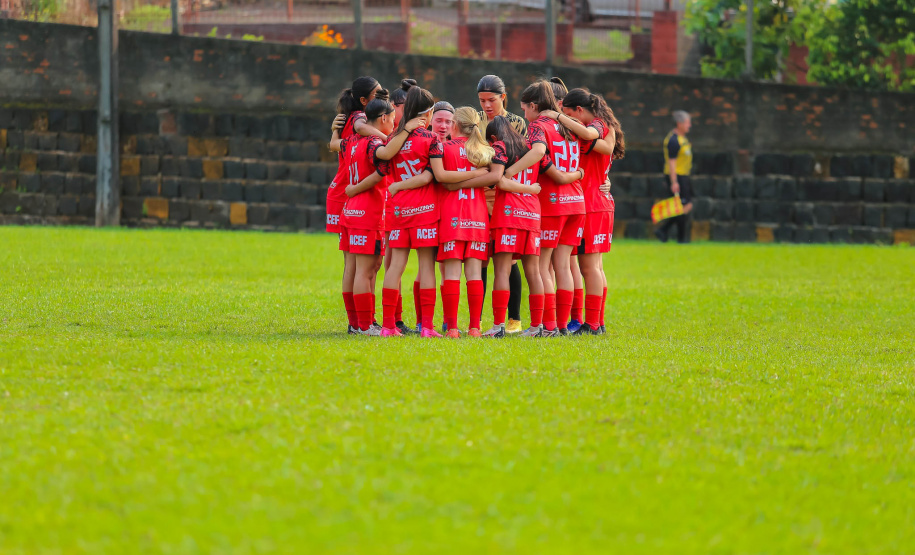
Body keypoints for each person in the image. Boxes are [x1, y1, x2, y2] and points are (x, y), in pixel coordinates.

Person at [542, 88, 625, 335]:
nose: (569, 119)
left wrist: (557, 117)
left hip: (591, 204)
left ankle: (592, 323)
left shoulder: (594, 129)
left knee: (589, 267)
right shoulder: (601, 129)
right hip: (598, 202)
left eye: (569, 113)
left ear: (579, 110)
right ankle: (596, 322)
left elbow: (595, 140)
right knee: (594, 267)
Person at [508, 80, 584, 337]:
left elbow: (539, 153)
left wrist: (510, 171)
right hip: (577, 202)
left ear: (533, 105)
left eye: (524, 109)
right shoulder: (567, 125)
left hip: (553, 203)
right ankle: (563, 325)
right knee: (562, 265)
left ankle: (546, 325)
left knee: (541, 267)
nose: (524, 115)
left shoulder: (538, 126)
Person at [380, 85, 445, 338]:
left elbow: (384, 162)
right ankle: (427, 327)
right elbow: (433, 177)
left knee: (395, 266)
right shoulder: (431, 140)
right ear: (427, 114)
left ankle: (388, 326)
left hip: (399, 210)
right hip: (425, 211)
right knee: (426, 266)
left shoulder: (393, 139)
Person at [328, 76, 386, 333]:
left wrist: (333, 133)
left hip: (348, 194)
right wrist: (388, 138)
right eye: (378, 93)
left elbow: (333, 145)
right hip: (351, 193)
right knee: (360, 265)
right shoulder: (361, 122)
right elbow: (362, 129)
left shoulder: (351, 124)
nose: (384, 95)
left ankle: (360, 322)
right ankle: (362, 323)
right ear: (364, 101)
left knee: (360, 264)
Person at [434, 107, 493, 338]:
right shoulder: (483, 151)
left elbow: (441, 180)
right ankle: (475, 327)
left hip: (452, 217)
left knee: (451, 273)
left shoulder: (443, 148)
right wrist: (476, 174)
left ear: (454, 126)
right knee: (475, 274)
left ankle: (452, 328)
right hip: (477, 217)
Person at [476, 75, 526, 334]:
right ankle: (479, 320)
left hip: (507, 194)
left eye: (491, 100)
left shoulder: (517, 122)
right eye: (482, 100)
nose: (486, 105)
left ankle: (514, 319)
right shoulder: (475, 121)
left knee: (509, 260)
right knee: (482, 259)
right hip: (480, 196)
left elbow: (524, 156)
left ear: (503, 97)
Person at [656, 110, 693, 244]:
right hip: (676, 176)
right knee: (683, 205)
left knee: (685, 205)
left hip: (684, 175)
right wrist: (674, 181)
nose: (689, 126)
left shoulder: (683, 139)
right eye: (687, 123)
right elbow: (671, 162)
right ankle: (679, 237)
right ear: (680, 123)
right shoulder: (673, 140)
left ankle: (665, 231)